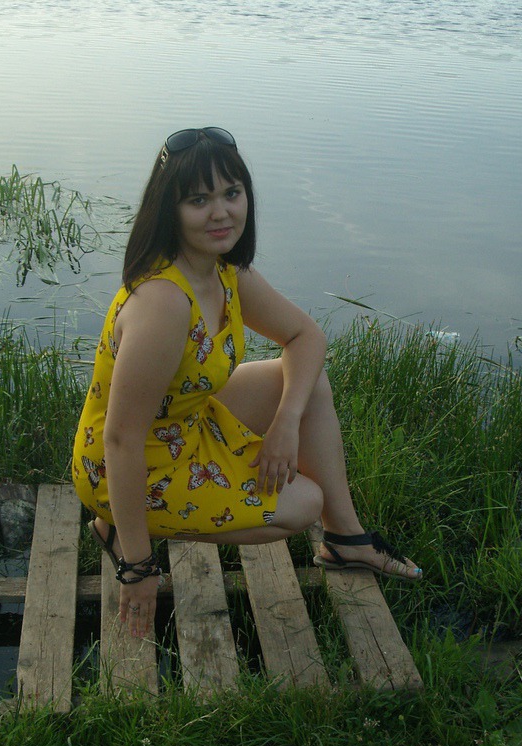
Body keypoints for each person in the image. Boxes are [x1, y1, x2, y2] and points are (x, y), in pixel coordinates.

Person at [72, 127, 421, 639]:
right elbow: (121, 439)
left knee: (304, 384)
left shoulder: (224, 272)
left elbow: (306, 337)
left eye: (231, 193)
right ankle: (120, 526)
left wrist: (286, 424)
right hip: (127, 466)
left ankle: (347, 539)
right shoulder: (163, 304)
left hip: (186, 422)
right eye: (199, 200)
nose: (221, 213)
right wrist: (138, 567)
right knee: (304, 504)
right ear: (169, 209)